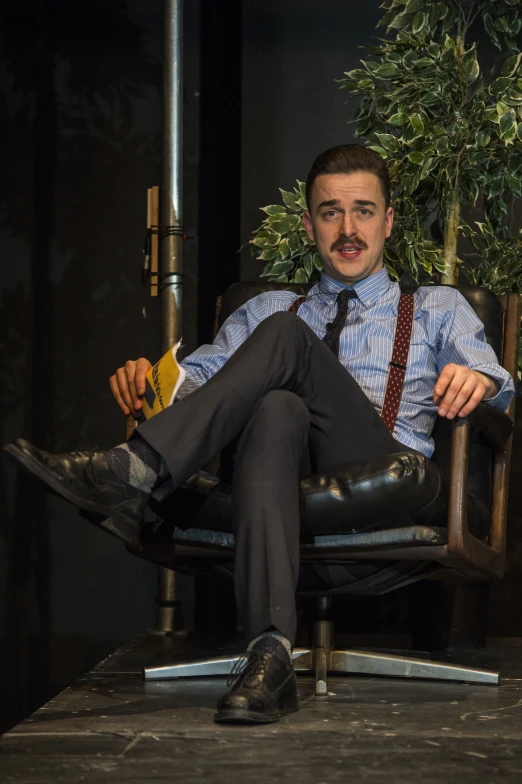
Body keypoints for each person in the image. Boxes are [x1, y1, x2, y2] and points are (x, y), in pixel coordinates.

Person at [3, 144, 514, 726]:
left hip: (380, 467)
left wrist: (476, 377)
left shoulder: (434, 307)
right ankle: (268, 654)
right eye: (330, 212)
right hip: (275, 472)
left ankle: (134, 470)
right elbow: (195, 384)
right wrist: (153, 381)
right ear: (308, 224)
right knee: (273, 405)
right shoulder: (269, 307)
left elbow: (500, 383)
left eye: (364, 211)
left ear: (389, 221)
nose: (348, 229)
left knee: (287, 339)